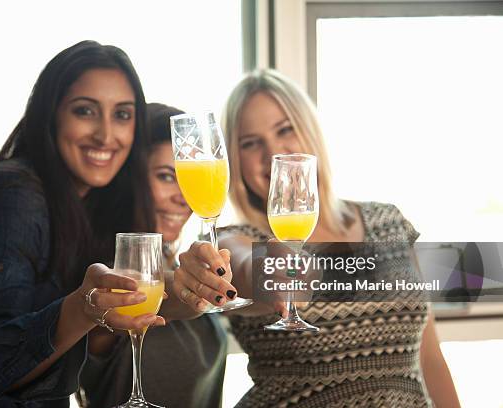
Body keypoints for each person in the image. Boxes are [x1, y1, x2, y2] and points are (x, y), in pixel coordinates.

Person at [0, 41, 166, 407]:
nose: (105, 135)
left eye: (122, 115)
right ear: (50, 115)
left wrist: (183, 293)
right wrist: (83, 308)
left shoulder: (86, 205)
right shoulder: (11, 195)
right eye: (85, 111)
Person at [174, 69, 461, 407]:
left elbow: (429, 360)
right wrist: (270, 268)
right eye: (250, 143)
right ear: (235, 159)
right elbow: (247, 266)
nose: (273, 152)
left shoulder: (390, 222)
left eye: (285, 129)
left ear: (310, 131)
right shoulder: (234, 237)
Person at [78, 103, 228, 408]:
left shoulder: (181, 260)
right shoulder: (101, 275)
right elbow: (156, 295)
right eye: (166, 176)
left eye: (185, 180)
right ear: (128, 179)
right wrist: (183, 288)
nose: (182, 197)